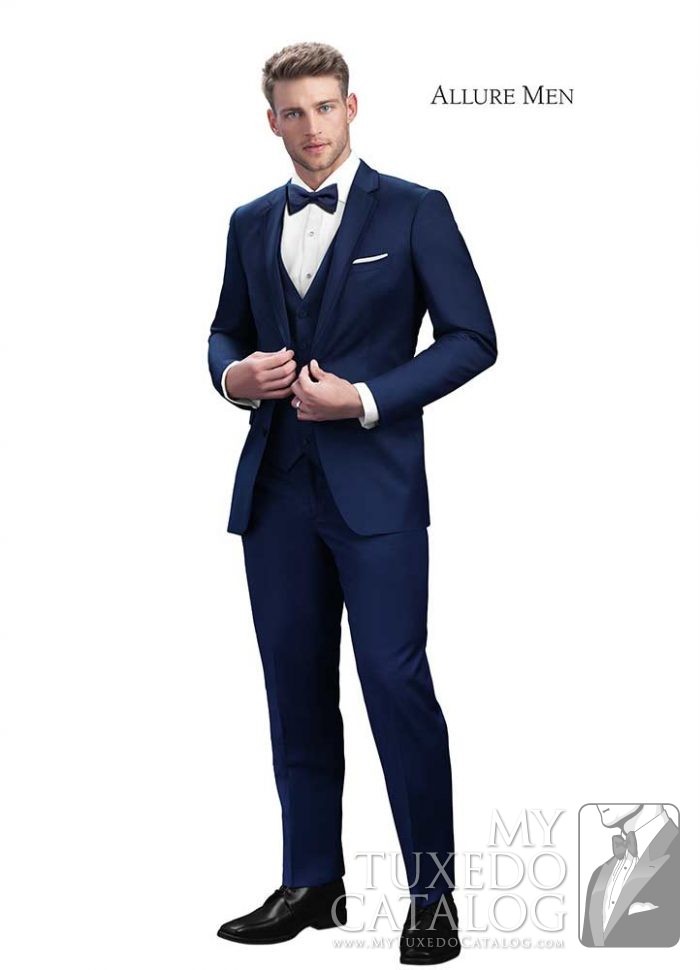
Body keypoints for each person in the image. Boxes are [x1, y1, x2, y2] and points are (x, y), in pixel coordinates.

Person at [208, 41, 497, 964]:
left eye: (325, 107)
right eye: (293, 112)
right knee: (293, 690)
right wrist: (233, 377)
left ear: (352, 108)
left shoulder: (414, 209)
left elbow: (472, 338)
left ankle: (434, 896)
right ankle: (311, 882)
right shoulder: (250, 221)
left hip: (378, 493)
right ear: (271, 121)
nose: (312, 127)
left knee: (396, 687)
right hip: (276, 494)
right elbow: (224, 331)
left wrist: (366, 398)